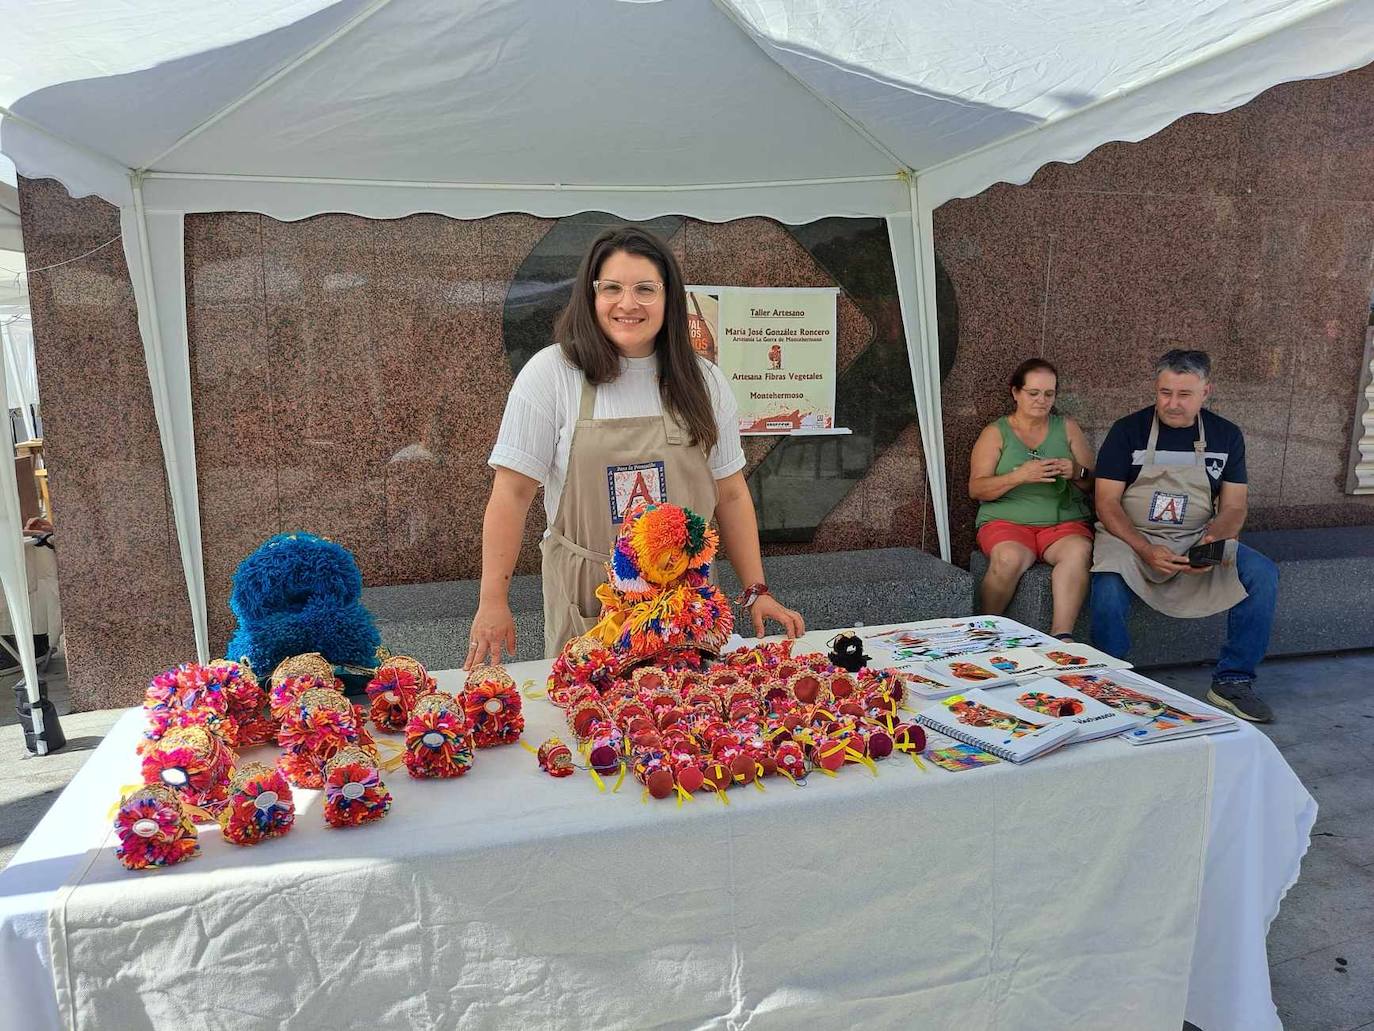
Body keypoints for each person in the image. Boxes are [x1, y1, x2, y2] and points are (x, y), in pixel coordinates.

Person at [468, 227, 805, 668]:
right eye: (611, 288)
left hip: (687, 605)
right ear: (591, 296)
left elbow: (732, 493)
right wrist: (493, 600)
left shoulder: (704, 381)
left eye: (645, 289)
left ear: (669, 298)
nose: (628, 303)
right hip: (589, 602)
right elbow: (511, 495)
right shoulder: (551, 375)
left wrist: (757, 590)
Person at [1091, 349, 1279, 722]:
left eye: (1184, 394)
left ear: (1206, 391)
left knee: (1262, 574)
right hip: (1129, 538)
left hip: (1197, 536)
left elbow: (1234, 506)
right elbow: (1107, 503)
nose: (1172, 404)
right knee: (1107, 587)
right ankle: (1113, 681)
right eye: (1165, 393)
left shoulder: (1226, 436)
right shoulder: (1127, 430)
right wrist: (1144, 548)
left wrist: (1212, 541)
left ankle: (1233, 681)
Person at [968, 359, 1095, 638]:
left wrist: (1076, 471)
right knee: (1008, 558)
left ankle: (1062, 638)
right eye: (1033, 393)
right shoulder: (995, 433)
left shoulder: (1068, 428)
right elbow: (976, 489)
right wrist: (1019, 476)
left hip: (1063, 523)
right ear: (1016, 393)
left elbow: (1092, 483)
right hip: (1006, 522)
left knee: (1079, 553)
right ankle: (982, 632)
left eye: (1049, 394)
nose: (1042, 400)